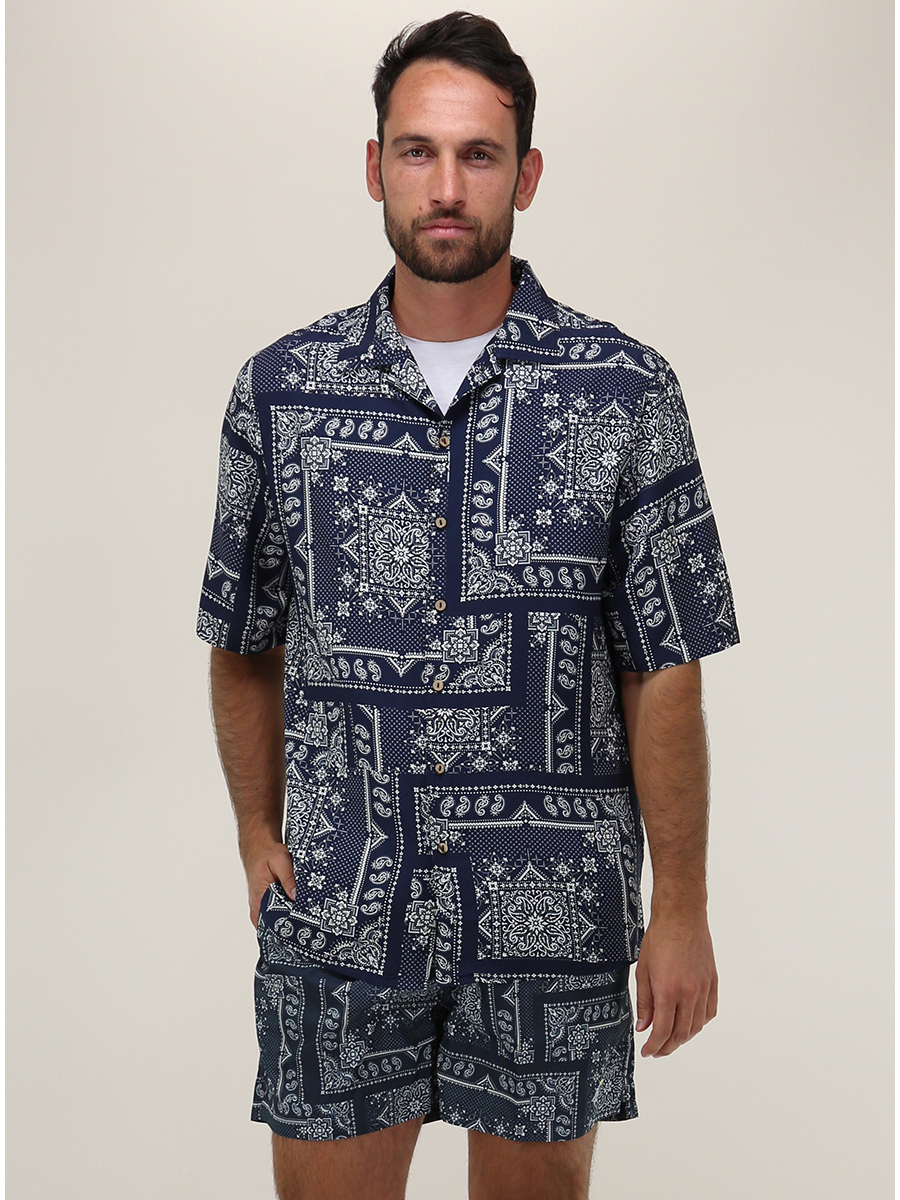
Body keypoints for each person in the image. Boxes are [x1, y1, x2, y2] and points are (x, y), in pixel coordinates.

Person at [196, 12, 740, 1200]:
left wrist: (684, 906)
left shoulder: (625, 390)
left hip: (554, 915)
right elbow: (242, 637)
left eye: (479, 155)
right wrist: (254, 833)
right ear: (375, 166)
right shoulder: (282, 391)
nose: (447, 186)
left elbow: (665, 662)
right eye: (418, 151)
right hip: (341, 907)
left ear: (526, 175)